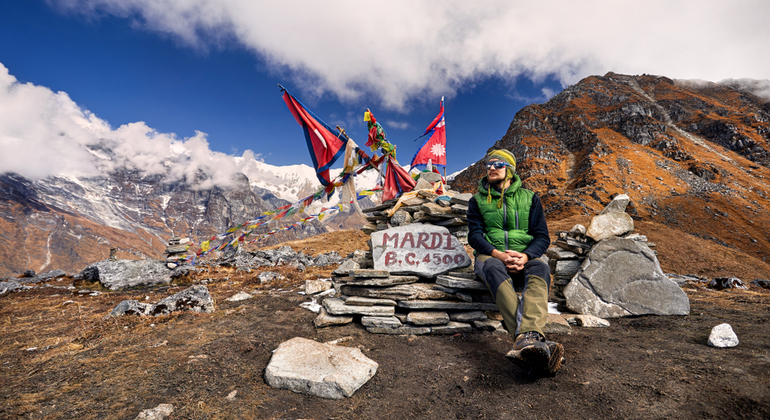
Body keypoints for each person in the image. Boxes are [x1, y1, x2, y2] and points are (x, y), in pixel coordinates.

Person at [466, 149, 564, 375]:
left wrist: (526, 256)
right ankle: (530, 339)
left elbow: (542, 237)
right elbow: (475, 236)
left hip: (524, 256)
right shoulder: (478, 200)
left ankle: (527, 343)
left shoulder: (530, 198)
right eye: (488, 164)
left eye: (497, 164)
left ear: (509, 169)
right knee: (490, 266)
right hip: (491, 257)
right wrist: (498, 254)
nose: (491, 168)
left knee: (540, 266)